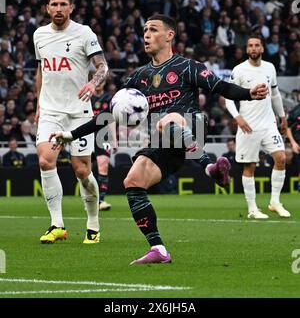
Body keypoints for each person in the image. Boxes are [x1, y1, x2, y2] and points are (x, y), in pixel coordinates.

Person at [50, 14, 268, 264]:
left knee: (167, 119)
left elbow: (222, 87)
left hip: (193, 126)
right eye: (144, 30)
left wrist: (249, 94)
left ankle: (209, 167)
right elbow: (107, 116)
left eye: (153, 29)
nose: (146, 34)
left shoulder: (188, 67)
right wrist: (70, 134)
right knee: (132, 182)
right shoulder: (138, 77)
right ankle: (158, 249)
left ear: (169, 35)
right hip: (164, 144)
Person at [33, 0, 108, 244]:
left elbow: (103, 66)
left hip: (79, 113)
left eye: (63, 4)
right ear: (47, 7)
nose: (58, 9)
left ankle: (93, 223)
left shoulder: (84, 33)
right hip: (51, 111)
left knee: (81, 170)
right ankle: (57, 225)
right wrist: (38, 104)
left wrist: (93, 82)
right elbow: (41, 71)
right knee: (45, 161)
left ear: (71, 7)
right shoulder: (39, 35)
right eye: (54, 4)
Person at [225, 35, 290, 220]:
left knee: (281, 157)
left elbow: (275, 94)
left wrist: (282, 117)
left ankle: (275, 202)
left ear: (262, 48)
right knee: (250, 166)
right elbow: (228, 97)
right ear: (247, 50)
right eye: (250, 46)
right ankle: (253, 208)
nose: (253, 48)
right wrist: (238, 118)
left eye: (257, 45)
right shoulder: (239, 70)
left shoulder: (270, 67)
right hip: (248, 126)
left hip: (269, 124)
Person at [91, 82, 117, 211]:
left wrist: (114, 139)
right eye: (96, 81)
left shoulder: (109, 99)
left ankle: (100, 201)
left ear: (105, 82)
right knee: (84, 170)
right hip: (87, 134)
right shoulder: (86, 97)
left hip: (103, 134)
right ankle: (89, 199)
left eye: (101, 81)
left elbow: (110, 119)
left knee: (103, 164)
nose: (98, 84)